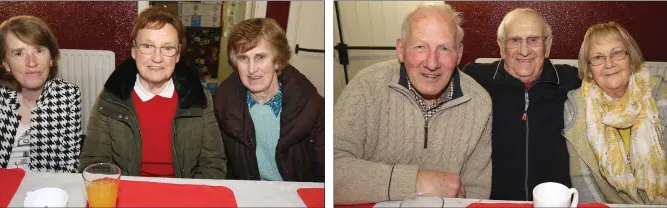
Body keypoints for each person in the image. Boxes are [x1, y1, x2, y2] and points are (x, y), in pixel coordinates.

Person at [334, 4, 492, 204]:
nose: (432, 63)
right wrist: (415, 182)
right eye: (420, 47)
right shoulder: (366, 86)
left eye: (444, 48)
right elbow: (331, 170)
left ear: (459, 53)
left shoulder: (480, 104)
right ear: (401, 49)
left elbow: (476, 194)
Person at [79, 6, 226, 179]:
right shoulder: (111, 99)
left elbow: (213, 164)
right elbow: (93, 165)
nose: (157, 58)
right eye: (147, 46)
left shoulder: (199, 98)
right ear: (134, 50)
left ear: (178, 55)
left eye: (167, 48)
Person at [564, 22, 667, 206]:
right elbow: (582, 178)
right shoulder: (576, 107)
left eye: (616, 53)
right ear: (589, 68)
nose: (609, 64)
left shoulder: (665, 95)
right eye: (598, 57)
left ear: (630, 58)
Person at [462, 8, 579, 201]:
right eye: (514, 40)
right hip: (492, 202)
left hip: (556, 202)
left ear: (548, 45)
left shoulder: (572, 80)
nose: (524, 50)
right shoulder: (475, 79)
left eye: (533, 40)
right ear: (501, 46)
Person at [213, 18, 324, 182]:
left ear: (277, 61)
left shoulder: (312, 107)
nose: (251, 69)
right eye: (243, 58)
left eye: (260, 57)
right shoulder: (223, 105)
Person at [0, 16, 82, 172]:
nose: (32, 62)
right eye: (19, 53)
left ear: (51, 58)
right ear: (5, 63)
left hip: (47, 190)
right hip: (0, 188)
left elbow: (69, 166)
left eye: (39, 50)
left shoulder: (67, 94)